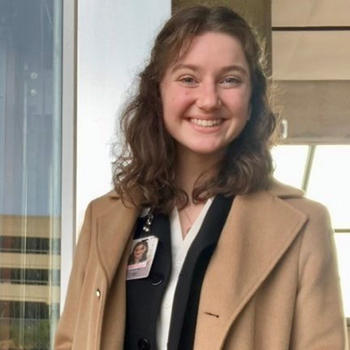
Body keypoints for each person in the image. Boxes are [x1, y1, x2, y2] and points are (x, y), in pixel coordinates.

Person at [54, 6, 348, 350]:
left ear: (252, 99)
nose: (208, 100)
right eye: (188, 78)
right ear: (157, 91)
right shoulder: (102, 219)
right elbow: (71, 341)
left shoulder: (304, 225)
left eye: (230, 80)